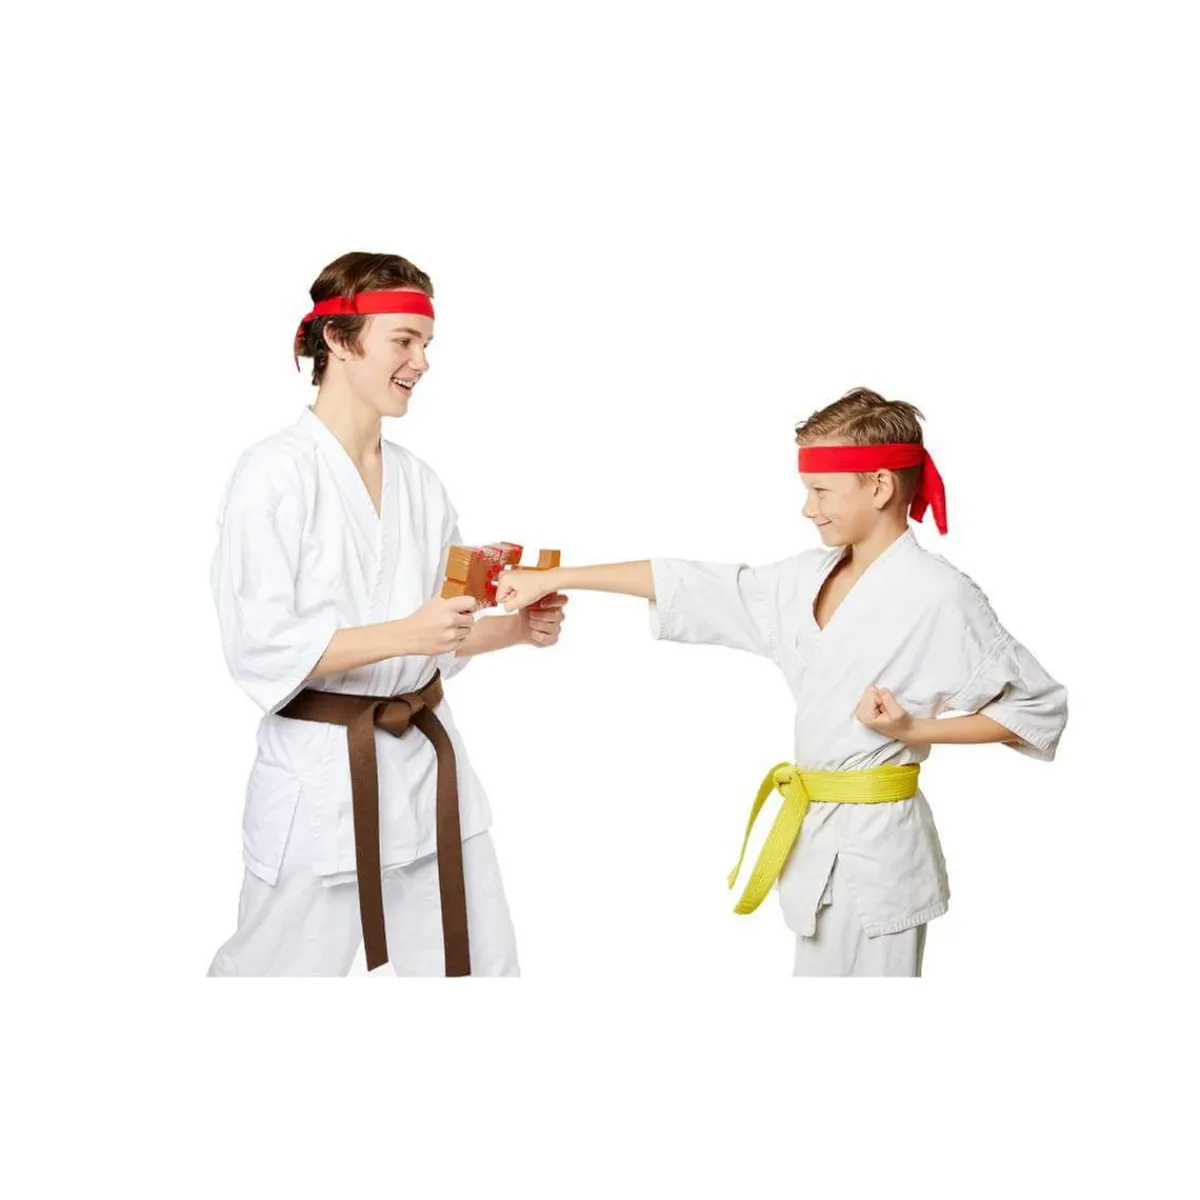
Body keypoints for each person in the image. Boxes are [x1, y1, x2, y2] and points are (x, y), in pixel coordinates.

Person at [495, 387, 1066, 977]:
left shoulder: (940, 595)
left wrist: (915, 729)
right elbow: (693, 582)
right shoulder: (802, 581)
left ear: (879, 486)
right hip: (815, 841)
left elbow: (1037, 707)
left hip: (882, 852)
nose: (807, 509)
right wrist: (558, 577)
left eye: (821, 491)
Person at [207, 251, 567, 976]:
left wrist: (515, 629)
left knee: (479, 969)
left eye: (426, 344)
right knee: (274, 981)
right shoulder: (273, 474)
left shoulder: (419, 482)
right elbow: (262, 646)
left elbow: (441, 633)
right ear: (339, 340)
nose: (421, 362)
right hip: (321, 777)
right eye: (404, 340)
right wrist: (410, 631)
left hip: (429, 770)